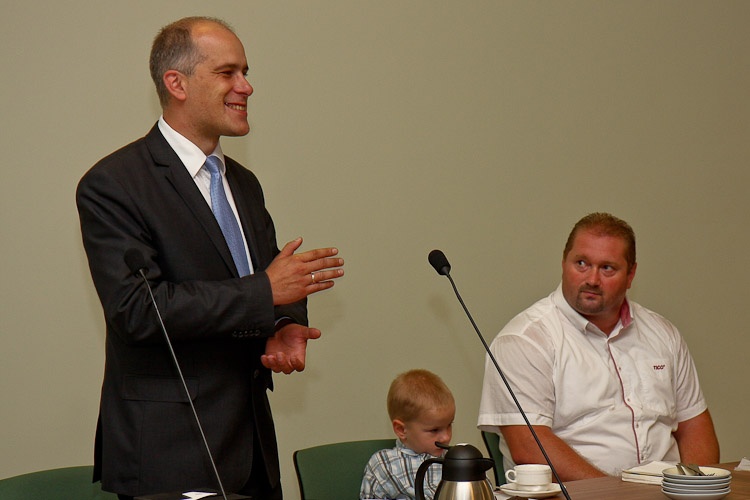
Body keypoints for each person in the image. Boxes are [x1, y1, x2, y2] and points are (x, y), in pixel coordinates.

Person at [76, 16, 344, 500]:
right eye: (227, 73)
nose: (247, 86)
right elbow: (138, 310)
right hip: (169, 453)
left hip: (253, 448)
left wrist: (283, 322)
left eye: (245, 72)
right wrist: (266, 293)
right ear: (176, 83)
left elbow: (267, 276)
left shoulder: (244, 183)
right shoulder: (114, 184)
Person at [477, 213, 719, 482]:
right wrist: (615, 494)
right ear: (563, 262)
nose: (592, 279)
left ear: (631, 275)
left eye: (607, 268)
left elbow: (693, 425)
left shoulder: (663, 334)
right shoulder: (525, 340)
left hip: (668, 492)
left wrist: (697, 488)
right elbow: (529, 448)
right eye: (581, 263)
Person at [360, 369, 456, 500]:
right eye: (434, 430)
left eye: (449, 425)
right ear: (401, 430)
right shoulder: (384, 466)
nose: (446, 437)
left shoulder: (454, 460)